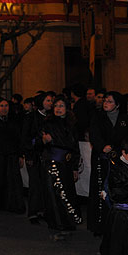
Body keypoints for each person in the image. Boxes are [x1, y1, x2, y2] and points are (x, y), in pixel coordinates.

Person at [88, 92, 128, 236]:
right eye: (105, 101)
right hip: (102, 158)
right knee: (100, 189)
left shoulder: (125, 119)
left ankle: (119, 223)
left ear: (117, 104)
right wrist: (102, 146)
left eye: (109, 101)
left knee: (117, 189)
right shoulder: (97, 117)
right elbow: (94, 135)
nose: (105, 103)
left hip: (119, 159)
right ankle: (99, 225)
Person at [40, 95, 82, 239]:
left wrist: (75, 166)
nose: (58, 108)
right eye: (56, 106)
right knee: (55, 194)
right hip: (52, 163)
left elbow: (74, 146)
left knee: (68, 192)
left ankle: (69, 222)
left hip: (67, 164)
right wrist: (47, 141)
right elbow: (42, 143)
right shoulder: (48, 122)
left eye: (61, 106)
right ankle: (57, 224)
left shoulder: (72, 124)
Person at [21, 91, 54, 224]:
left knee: (46, 184)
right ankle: (33, 213)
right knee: (35, 184)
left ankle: (44, 210)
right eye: (48, 101)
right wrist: (29, 153)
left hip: (47, 157)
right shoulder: (31, 118)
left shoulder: (51, 117)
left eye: (51, 101)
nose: (50, 103)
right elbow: (25, 138)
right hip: (34, 156)